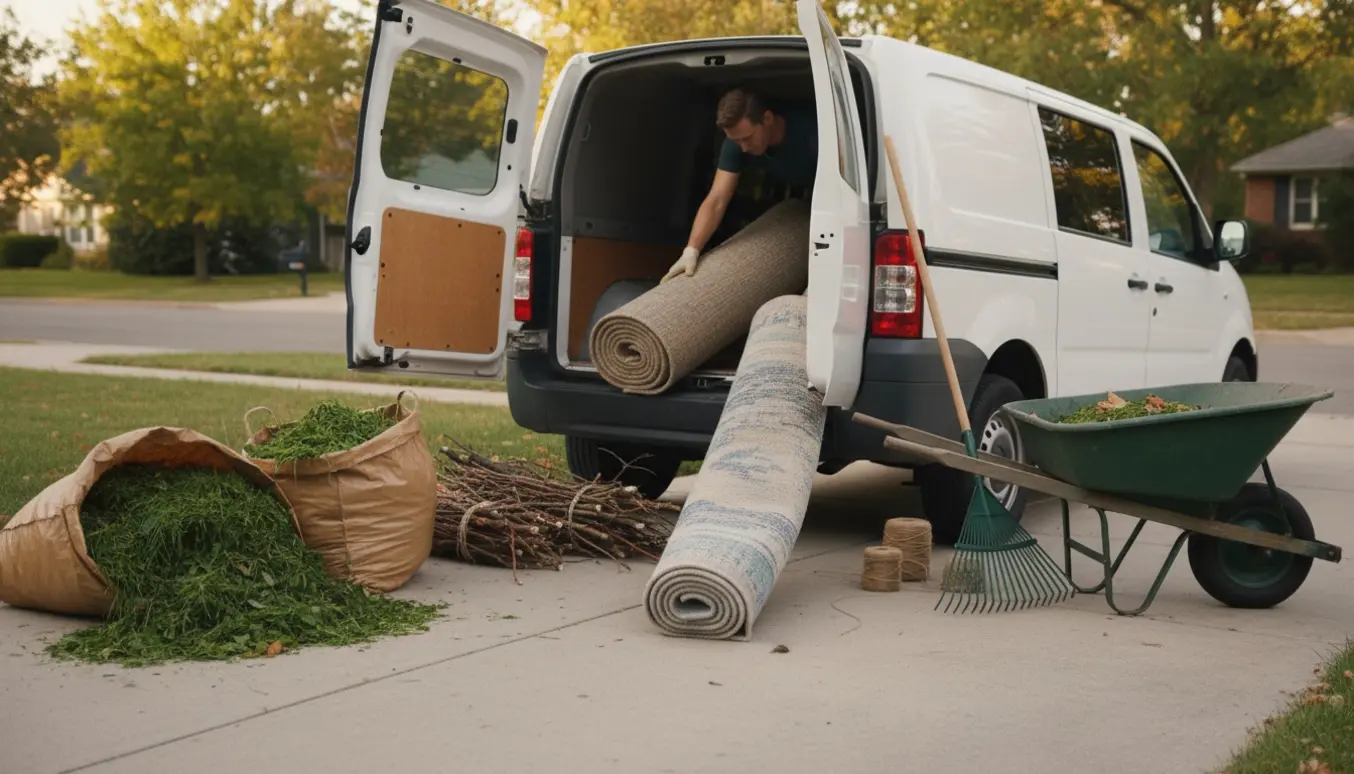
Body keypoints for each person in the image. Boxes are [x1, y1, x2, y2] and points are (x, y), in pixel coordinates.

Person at [661, 87, 818, 283]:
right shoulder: (736, 143)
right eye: (736, 141)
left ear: (767, 119)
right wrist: (691, 250)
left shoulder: (813, 133)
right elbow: (717, 198)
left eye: (747, 138)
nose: (743, 147)